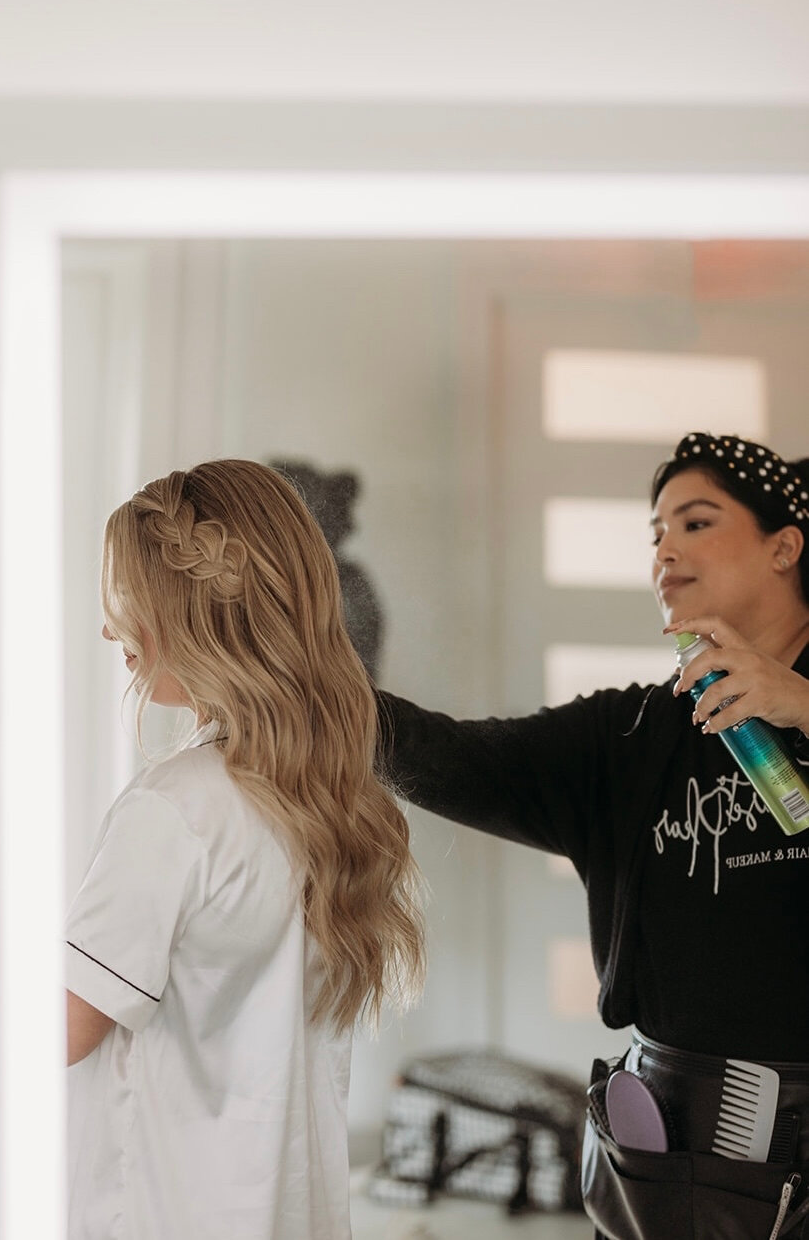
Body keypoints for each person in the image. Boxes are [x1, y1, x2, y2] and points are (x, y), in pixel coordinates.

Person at [378, 431, 809, 1238]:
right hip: (680, 1163)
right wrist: (286, 685)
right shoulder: (628, 736)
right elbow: (443, 755)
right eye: (654, 533)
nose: (663, 551)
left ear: (783, 545)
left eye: (694, 521)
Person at [64, 459, 427, 1240]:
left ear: (190, 608)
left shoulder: (173, 810)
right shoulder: (328, 802)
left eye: (124, 595)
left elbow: (64, 1031)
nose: (107, 626)